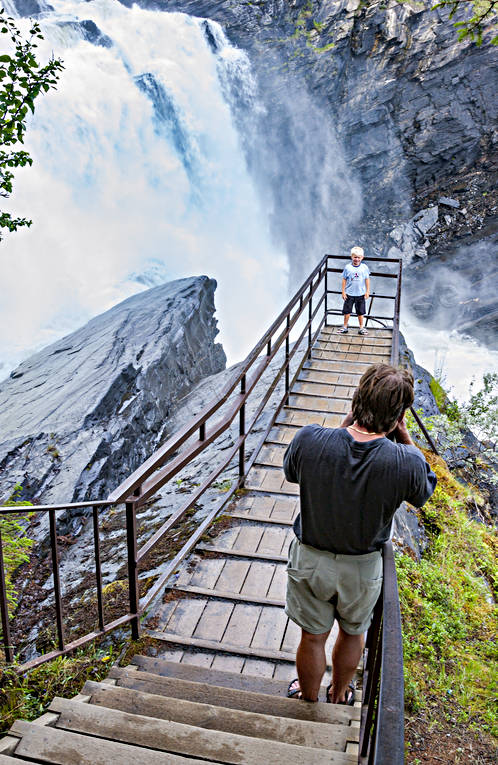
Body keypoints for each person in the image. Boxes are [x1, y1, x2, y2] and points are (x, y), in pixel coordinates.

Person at [283, 363, 437, 704]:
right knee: (354, 633)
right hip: (363, 567)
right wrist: (406, 437)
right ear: (399, 414)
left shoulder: (309, 439)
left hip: (310, 560)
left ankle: (307, 698)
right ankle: (339, 694)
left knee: (312, 637)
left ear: (357, 399)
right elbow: (424, 489)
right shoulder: (404, 462)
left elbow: (292, 471)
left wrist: (344, 426)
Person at [338, 245, 370, 335]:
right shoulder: (348, 267)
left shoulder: (364, 268)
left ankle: (361, 327)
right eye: (355, 257)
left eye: (359, 257)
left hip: (360, 294)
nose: (356, 259)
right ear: (351, 257)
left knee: (360, 312)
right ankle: (345, 326)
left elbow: (367, 279)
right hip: (349, 294)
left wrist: (367, 291)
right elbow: (344, 279)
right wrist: (343, 292)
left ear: (362, 258)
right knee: (347, 311)